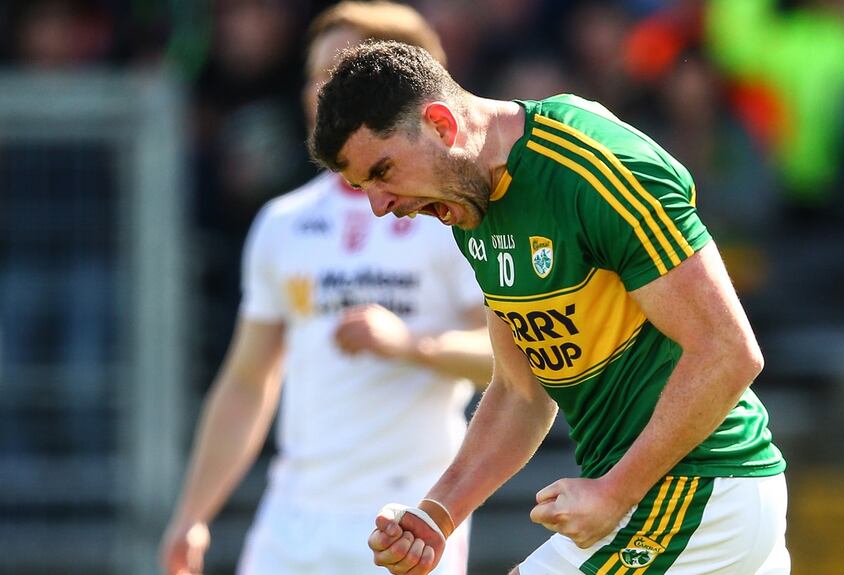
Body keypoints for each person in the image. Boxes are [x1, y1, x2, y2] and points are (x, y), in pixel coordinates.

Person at [310, 41, 790, 575]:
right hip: (664, 500)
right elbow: (521, 392)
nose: (379, 207)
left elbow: (728, 351)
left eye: (382, 172)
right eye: (360, 188)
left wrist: (613, 492)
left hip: (702, 491)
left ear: (442, 126)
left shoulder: (590, 166)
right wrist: (438, 515)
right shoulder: (473, 209)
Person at [159, 4, 491, 575]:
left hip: (408, 519)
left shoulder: (454, 217)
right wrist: (193, 513)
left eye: (338, 73)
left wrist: (412, 345)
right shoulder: (283, 222)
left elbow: (510, 367)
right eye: (313, 74)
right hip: (292, 518)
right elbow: (246, 380)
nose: (319, 91)